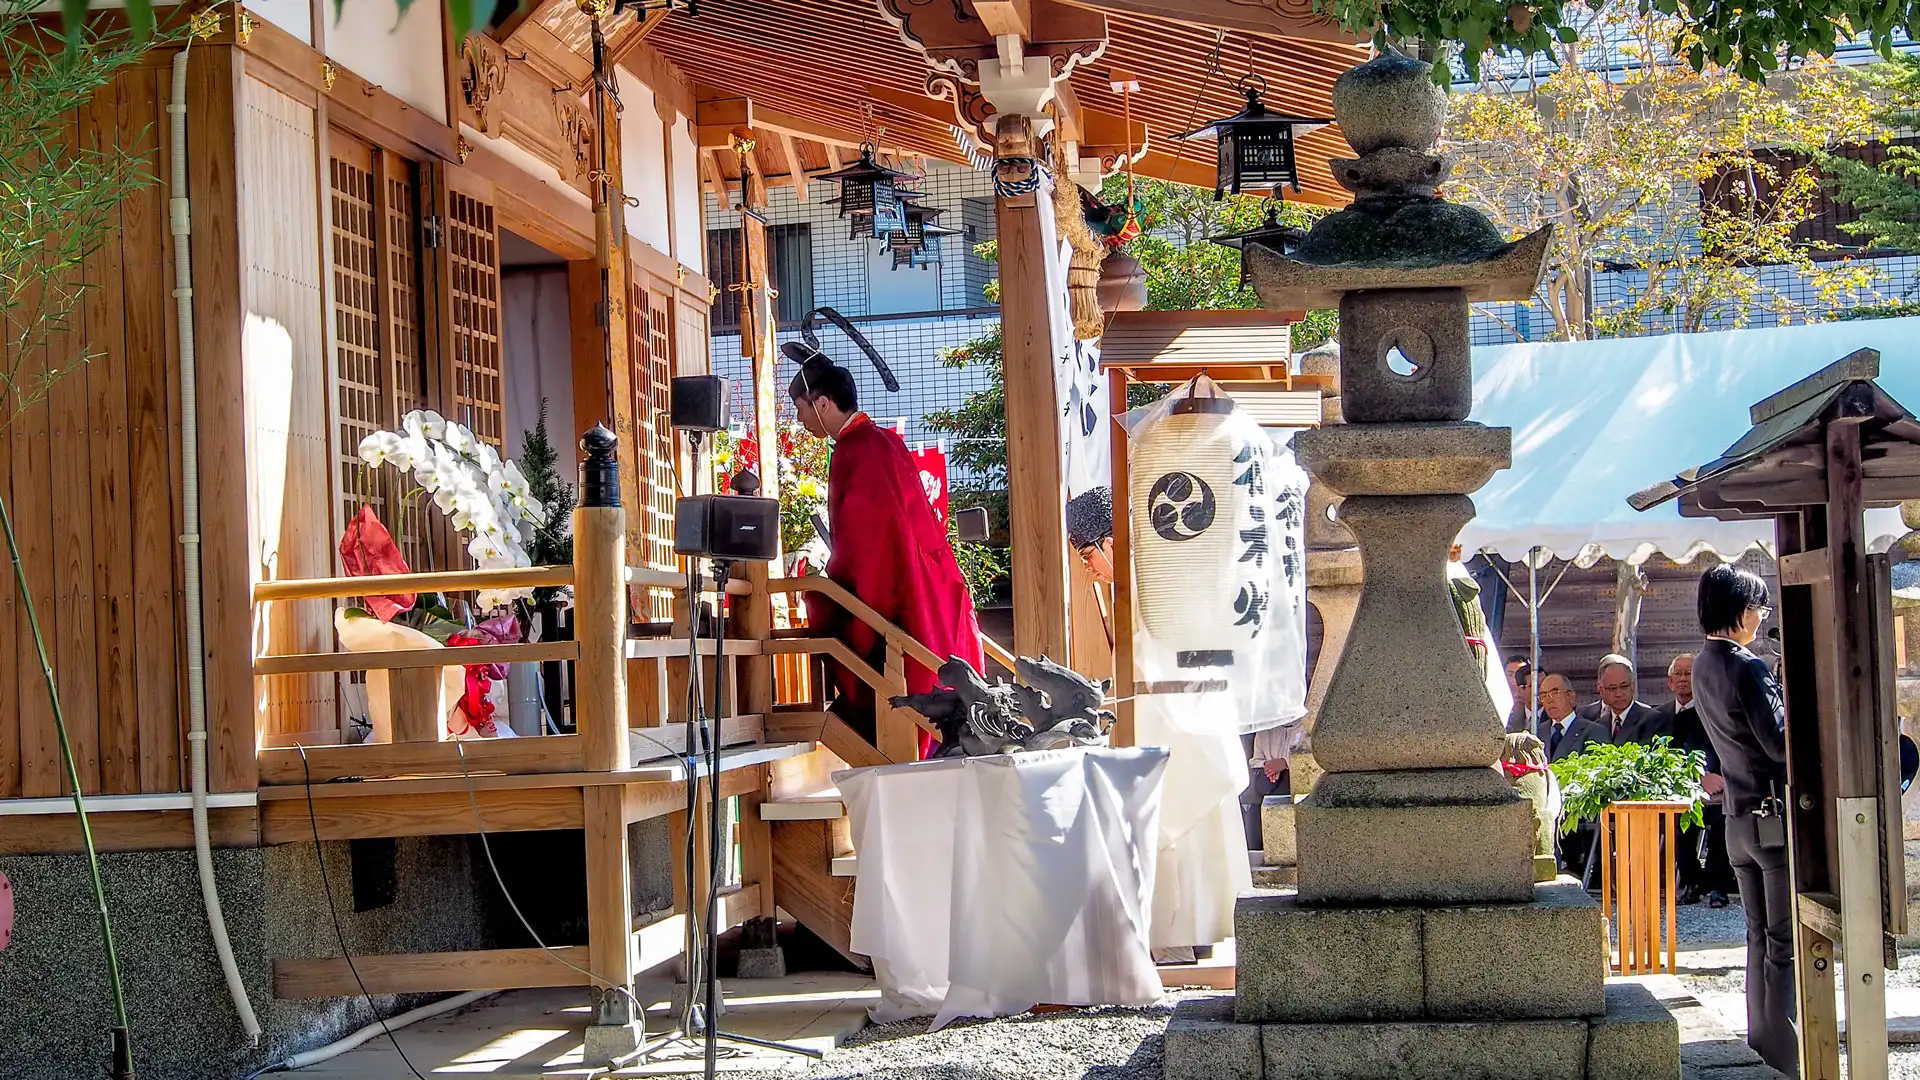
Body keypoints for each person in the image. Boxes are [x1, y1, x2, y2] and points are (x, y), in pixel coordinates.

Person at [789, 354, 983, 758]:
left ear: (822, 403)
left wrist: (826, 585)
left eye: (801, 408)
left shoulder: (854, 450)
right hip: (927, 578)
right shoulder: (884, 440)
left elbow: (867, 548)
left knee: (831, 613)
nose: (800, 420)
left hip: (896, 588)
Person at [1692, 564, 1795, 1077]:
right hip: (1771, 816)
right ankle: (1785, 1056)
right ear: (1739, 610)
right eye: (1759, 606)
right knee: (1783, 944)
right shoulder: (1747, 666)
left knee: (1758, 938)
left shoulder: (1701, 664)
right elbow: (1780, 744)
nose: (1762, 616)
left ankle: (1763, 1044)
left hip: (1736, 817)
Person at [1655, 652, 1733, 907]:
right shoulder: (1670, 717)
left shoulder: (1719, 710)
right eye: (1678, 674)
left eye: (1689, 673)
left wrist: (1719, 778)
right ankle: (1691, 882)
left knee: (1722, 822)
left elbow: (1729, 748)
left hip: (1723, 786)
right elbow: (1669, 755)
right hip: (1687, 788)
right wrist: (1697, 778)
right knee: (1677, 822)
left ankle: (1719, 886)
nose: (1683, 679)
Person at [1535, 672, 1609, 878]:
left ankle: (1575, 866)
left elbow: (1596, 772)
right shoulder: (1536, 733)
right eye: (1543, 695)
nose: (1549, 699)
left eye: (1555, 692)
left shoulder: (1594, 731)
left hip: (1575, 804)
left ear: (1571, 696)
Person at [1580, 653, 1666, 744]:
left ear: (1632, 686)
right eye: (1612, 688)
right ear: (1601, 690)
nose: (1619, 694)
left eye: (1624, 686)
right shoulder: (1599, 725)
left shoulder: (1653, 719)